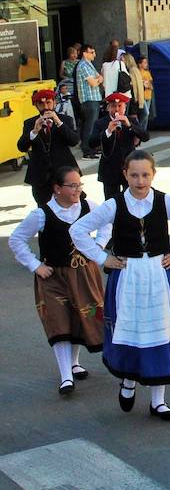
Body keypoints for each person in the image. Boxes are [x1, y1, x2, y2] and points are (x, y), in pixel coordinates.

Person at [70, 150, 170, 421]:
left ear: (153, 174)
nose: (140, 180)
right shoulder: (114, 204)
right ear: (125, 175)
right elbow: (77, 230)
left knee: (162, 332)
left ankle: (159, 401)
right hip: (128, 274)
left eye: (145, 174)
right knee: (130, 329)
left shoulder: (165, 201)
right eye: (134, 175)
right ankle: (129, 380)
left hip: (159, 273)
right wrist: (102, 257)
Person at [9, 167, 109, 395]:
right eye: (72, 186)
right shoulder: (42, 214)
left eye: (79, 185)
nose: (77, 190)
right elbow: (16, 239)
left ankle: (74, 363)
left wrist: (99, 246)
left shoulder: (89, 207)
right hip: (53, 277)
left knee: (81, 318)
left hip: (84, 273)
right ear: (57, 188)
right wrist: (36, 266)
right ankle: (66, 377)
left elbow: (107, 223)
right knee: (59, 321)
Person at [18, 89, 80, 205]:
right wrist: (34, 131)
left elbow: (74, 140)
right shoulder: (30, 123)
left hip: (64, 172)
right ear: (36, 106)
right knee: (43, 207)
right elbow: (21, 147)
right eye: (41, 104)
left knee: (71, 204)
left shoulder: (65, 120)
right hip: (40, 175)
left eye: (48, 102)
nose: (46, 106)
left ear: (54, 103)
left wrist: (59, 122)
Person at [91, 92, 149, 200]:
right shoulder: (100, 122)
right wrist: (107, 131)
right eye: (113, 106)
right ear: (108, 108)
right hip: (110, 168)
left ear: (125, 107)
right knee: (111, 201)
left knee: (132, 199)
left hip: (129, 167)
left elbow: (145, 137)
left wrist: (130, 126)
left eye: (120, 106)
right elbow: (91, 143)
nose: (116, 109)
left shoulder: (131, 120)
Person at [74, 44, 103, 159]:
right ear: (85, 53)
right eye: (92, 52)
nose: (94, 55)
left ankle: (91, 148)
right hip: (88, 100)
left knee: (92, 125)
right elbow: (94, 83)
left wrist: (98, 79)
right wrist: (98, 80)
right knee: (89, 126)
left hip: (94, 98)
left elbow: (100, 77)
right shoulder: (83, 66)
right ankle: (86, 150)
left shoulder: (89, 64)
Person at [138, 56, 153, 130]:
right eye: (144, 62)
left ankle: (143, 130)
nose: (146, 64)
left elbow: (150, 84)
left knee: (146, 115)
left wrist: (148, 85)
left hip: (148, 95)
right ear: (140, 64)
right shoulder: (138, 73)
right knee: (145, 113)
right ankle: (138, 128)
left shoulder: (147, 73)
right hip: (142, 96)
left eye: (146, 62)